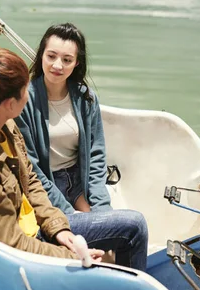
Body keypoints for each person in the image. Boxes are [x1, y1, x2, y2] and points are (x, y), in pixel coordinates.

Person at [0, 47, 103, 263]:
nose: (29, 94)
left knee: (130, 224)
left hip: (38, 227)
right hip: (21, 259)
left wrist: (57, 227)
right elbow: (13, 246)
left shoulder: (4, 126)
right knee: (133, 229)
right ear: (10, 104)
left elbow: (31, 181)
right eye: (25, 89)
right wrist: (71, 256)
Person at [16, 23, 148, 270]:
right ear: (41, 55)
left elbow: (96, 157)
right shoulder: (25, 99)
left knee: (109, 240)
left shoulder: (86, 97)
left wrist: (101, 208)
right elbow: (31, 168)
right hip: (45, 186)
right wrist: (69, 212)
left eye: (67, 59)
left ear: (77, 63)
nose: (57, 65)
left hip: (78, 183)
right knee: (88, 242)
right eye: (51, 56)